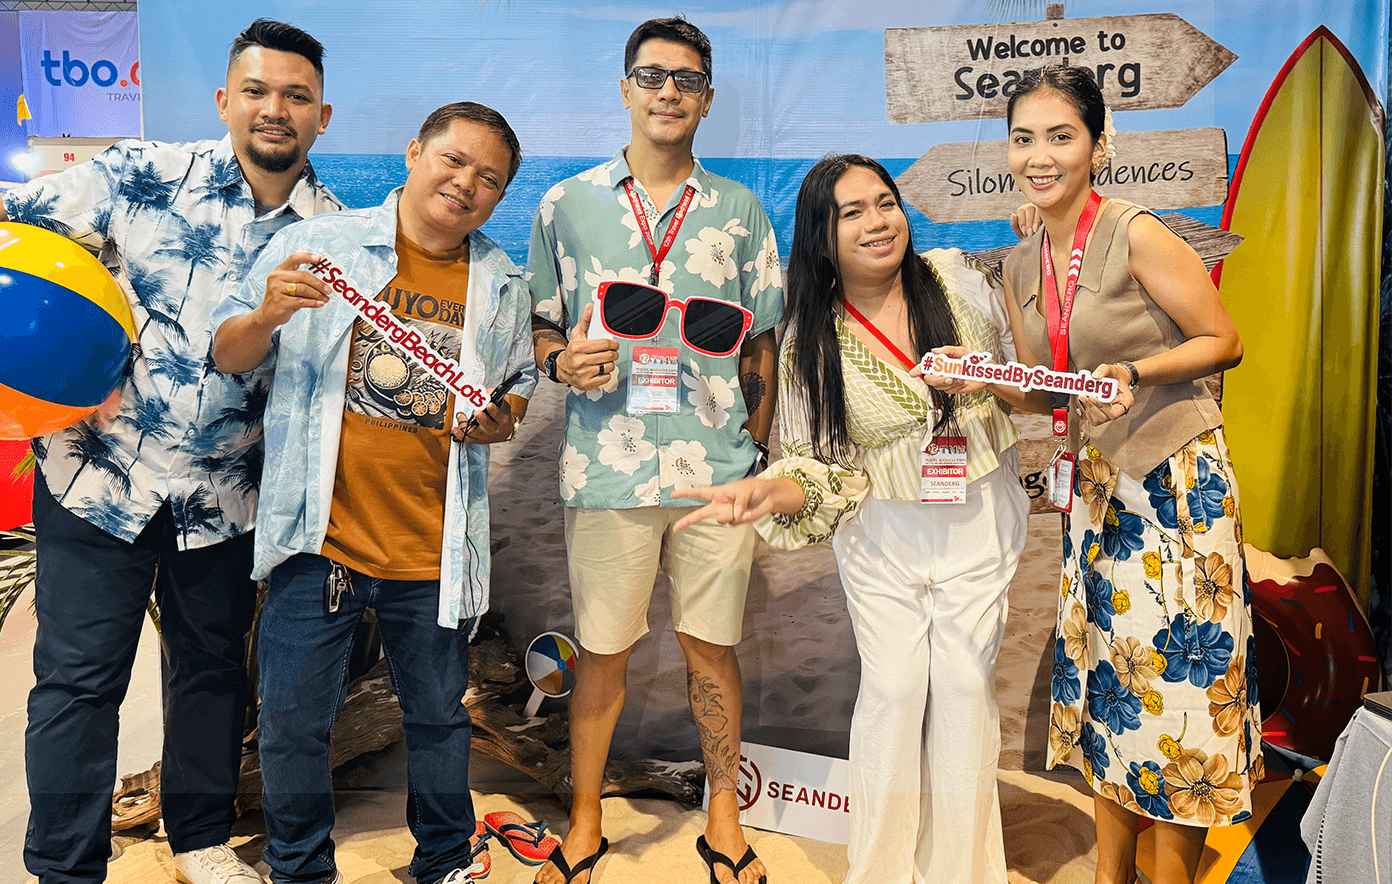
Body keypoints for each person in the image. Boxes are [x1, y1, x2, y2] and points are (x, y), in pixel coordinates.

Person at [2, 20, 339, 884]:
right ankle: (64, 866)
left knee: (211, 675)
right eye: (257, 91)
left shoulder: (336, 237)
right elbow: (13, 223)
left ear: (322, 115)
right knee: (77, 682)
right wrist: (49, 359)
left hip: (226, 498)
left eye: (296, 95)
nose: (275, 109)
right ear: (225, 100)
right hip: (95, 476)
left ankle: (199, 841)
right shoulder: (140, 172)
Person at [675, 154, 1029, 883]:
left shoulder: (959, 278)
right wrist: (769, 492)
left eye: (885, 202)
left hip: (978, 518)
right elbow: (816, 469)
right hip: (882, 536)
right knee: (893, 693)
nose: (878, 222)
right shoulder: (809, 340)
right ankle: (882, 871)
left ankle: (962, 873)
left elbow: (1033, 364)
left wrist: (1038, 248)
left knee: (964, 690)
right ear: (822, 236)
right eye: (852, 212)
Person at [211, 101, 535, 884]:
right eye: (454, 160)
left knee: (439, 720)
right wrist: (268, 313)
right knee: (292, 723)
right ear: (414, 152)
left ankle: (443, 857)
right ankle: (299, 867)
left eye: (490, 179)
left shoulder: (501, 281)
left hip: (433, 547)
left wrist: (504, 417)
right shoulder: (320, 247)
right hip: (318, 538)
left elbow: (518, 380)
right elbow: (227, 352)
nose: (467, 184)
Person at [526, 16, 783, 884]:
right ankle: (586, 820)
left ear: (706, 99)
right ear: (625, 89)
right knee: (603, 651)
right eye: (652, 76)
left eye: (687, 79)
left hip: (716, 470)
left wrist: (754, 452)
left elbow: (762, 345)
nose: (669, 91)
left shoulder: (741, 213)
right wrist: (558, 362)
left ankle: (723, 818)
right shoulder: (566, 206)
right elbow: (542, 323)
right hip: (608, 464)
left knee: (712, 648)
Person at [996, 66, 1259, 883]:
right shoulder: (1019, 264)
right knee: (1110, 685)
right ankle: (1113, 874)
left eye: (1060, 136)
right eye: (1024, 138)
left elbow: (1224, 340)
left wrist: (1136, 373)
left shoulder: (1135, 231)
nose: (1040, 156)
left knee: (1183, 690)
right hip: (1099, 494)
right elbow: (1047, 390)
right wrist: (982, 381)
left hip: (1177, 487)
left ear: (1097, 146)